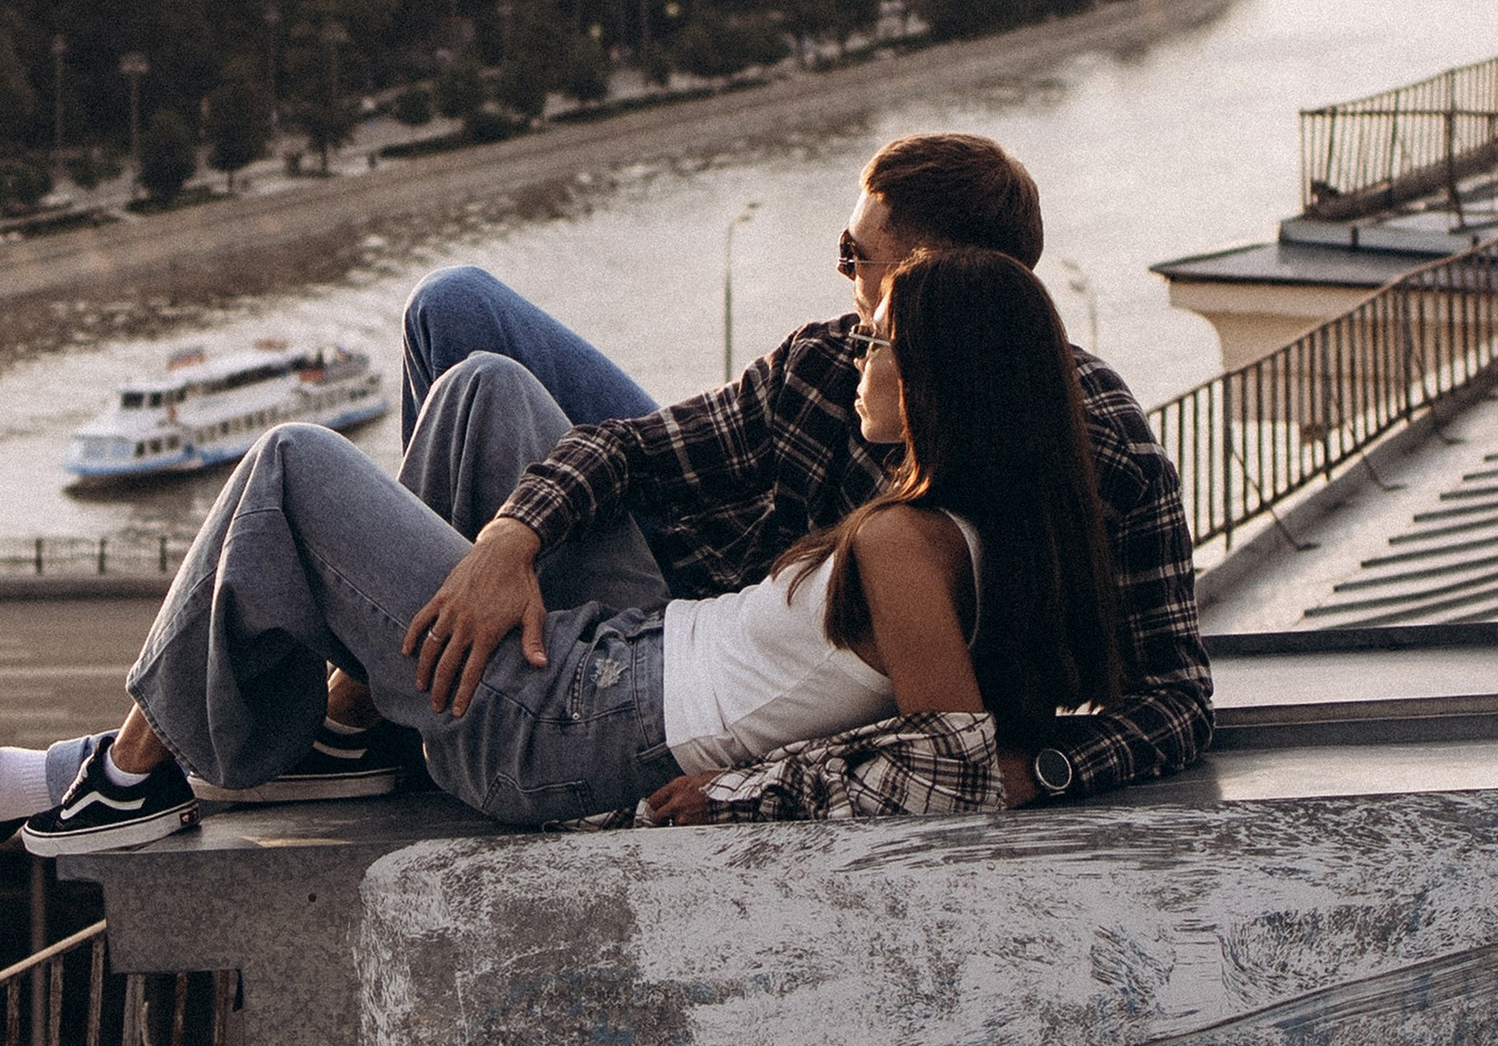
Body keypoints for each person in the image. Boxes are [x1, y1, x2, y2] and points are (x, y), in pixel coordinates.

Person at [0, 244, 1124, 856]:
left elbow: (958, 768)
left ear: (943, 376)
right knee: (482, 384)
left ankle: (114, 780)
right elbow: (967, 745)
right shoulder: (960, 528)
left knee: (290, 465)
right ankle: (347, 736)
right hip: (630, 658)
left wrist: (737, 795)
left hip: (578, 732)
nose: (860, 353)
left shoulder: (905, 544)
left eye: (883, 339)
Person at [384, 128, 1207, 813]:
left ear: (939, 279)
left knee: (382, 440)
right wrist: (508, 539)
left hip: (729, 700)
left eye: (858, 257)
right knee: (457, 312)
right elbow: (629, 447)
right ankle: (386, 681)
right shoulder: (829, 363)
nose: (846, 282)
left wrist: (1038, 772)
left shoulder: (1096, 450)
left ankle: (377, 685)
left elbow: (1172, 699)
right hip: (707, 613)